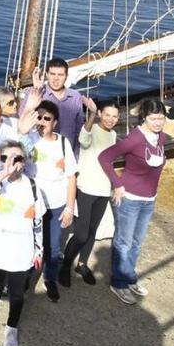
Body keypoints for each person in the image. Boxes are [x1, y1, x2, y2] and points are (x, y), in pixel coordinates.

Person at [98, 97, 169, 305]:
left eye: (161, 118)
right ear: (144, 118)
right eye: (153, 118)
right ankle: (118, 283)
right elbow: (105, 157)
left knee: (137, 243)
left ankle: (129, 277)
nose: (158, 122)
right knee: (124, 242)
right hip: (130, 199)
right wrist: (118, 184)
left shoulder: (162, 138)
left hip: (149, 200)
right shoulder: (134, 139)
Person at [0, 140, 44, 346]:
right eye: (6, 157)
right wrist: (3, 174)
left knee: (16, 292)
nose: (12, 162)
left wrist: (38, 249)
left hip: (21, 247)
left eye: (18, 158)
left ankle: (12, 327)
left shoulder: (32, 185)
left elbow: (38, 221)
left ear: (25, 163)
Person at [20, 99, 77, 302]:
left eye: (47, 118)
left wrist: (70, 208)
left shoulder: (63, 143)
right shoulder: (29, 140)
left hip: (55, 203)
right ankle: (24, 277)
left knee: (52, 246)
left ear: (55, 122)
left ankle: (49, 278)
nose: (43, 122)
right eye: (40, 117)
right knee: (27, 242)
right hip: (32, 203)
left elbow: (71, 176)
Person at [60, 102, 120, 287]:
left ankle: (82, 264)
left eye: (114, 116)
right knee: (81, 234)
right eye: (107, 114)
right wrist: (92, 114)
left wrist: (114, 185)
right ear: (101, 113)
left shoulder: (114, 135)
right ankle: (65, 265)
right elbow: (83, 139)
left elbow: (109, 163)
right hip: (86, 188)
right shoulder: (91, 129)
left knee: (92, 231)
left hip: (103, 190)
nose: (110, 119)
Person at [25, 60, 95, 149]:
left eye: (60, 75)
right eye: (52, 74)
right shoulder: (35, 93)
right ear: (46, 74)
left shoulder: (75, 97)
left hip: (66, 152)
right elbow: (23, 123)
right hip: (40, 150)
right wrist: (37, 91)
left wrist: (76, 156)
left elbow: (78, 129)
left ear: (66, 76)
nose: (56, 78)